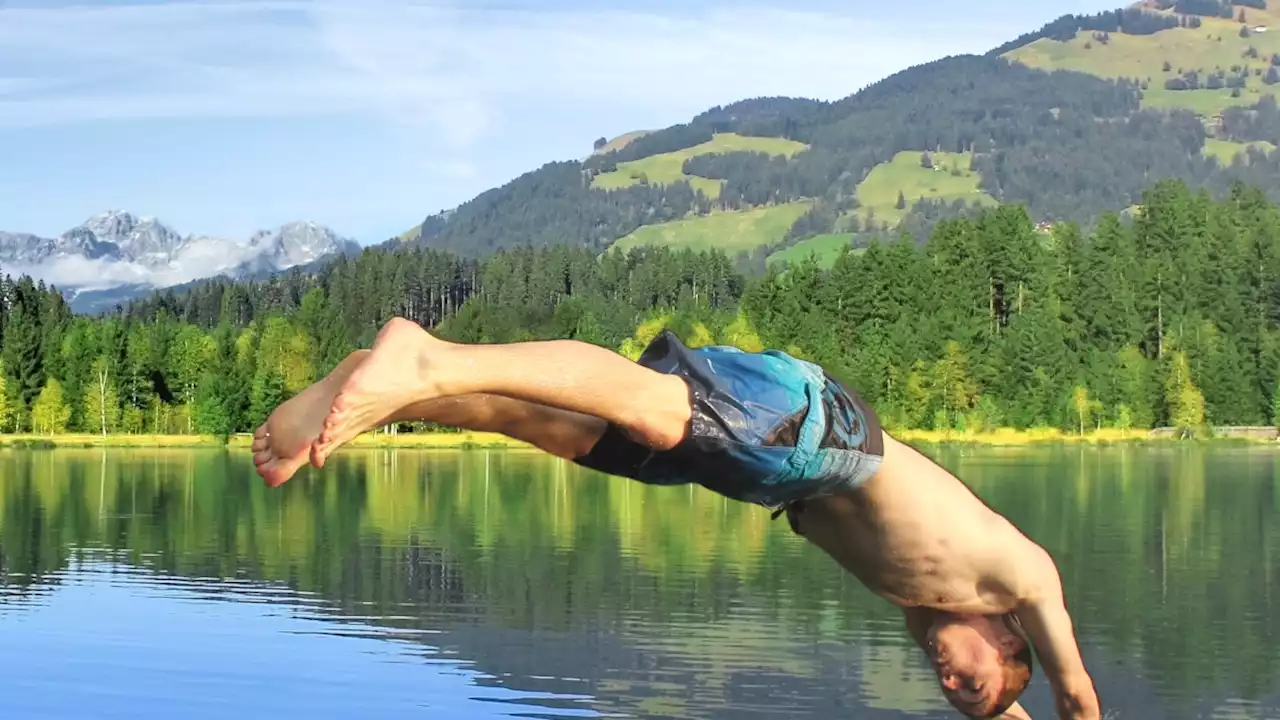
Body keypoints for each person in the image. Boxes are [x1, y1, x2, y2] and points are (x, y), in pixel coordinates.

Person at [251, 317, 1102, 720]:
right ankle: (428, 360)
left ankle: (389, 384)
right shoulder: (1018, 576)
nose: (950, 684)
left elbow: (1008, 710)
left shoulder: (929, 606)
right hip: (822, 432)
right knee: (654, 408)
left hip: (773, 477)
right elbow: (1077, 698)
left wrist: (992, 712)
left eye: (956, 697)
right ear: (1010, 637)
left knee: (557, 427)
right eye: (975, 682)